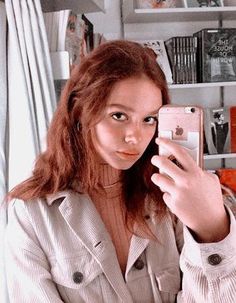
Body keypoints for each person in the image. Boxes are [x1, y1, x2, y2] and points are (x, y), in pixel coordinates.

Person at [4, 40, 236, 302]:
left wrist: (213, 230)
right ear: (81, 110)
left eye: (149, 119)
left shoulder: (172, 200)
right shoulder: (32, 215)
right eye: (119, 116)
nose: (135, 137)